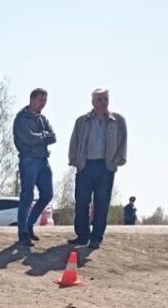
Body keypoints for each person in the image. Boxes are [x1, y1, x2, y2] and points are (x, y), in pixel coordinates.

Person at [68, 88, 128, 250]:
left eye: (105, 99)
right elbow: (74, 142)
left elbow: (123, 142)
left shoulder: (118, 121)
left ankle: (96, 238)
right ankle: (82, 235)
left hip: (105, 167)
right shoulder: (82, 121)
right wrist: (76, 161)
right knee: (81, 202)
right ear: (93, 102)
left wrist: (116, 161)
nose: (103, 103)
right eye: (99, 100)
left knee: (102, 203)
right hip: (85, 166)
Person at [12, 87, 56, 248]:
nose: (43, 104)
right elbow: (28, 138)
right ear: (31, 100)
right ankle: (22, 233)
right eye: (40, 100)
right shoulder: (21, 119)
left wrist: (41, 137)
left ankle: (30, 224)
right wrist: (44, 137)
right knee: (27, 196)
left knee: (47, 195)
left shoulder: (43, 119)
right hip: (28, 161)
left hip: (43, 161)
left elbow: (53, 137)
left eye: (45, 101)